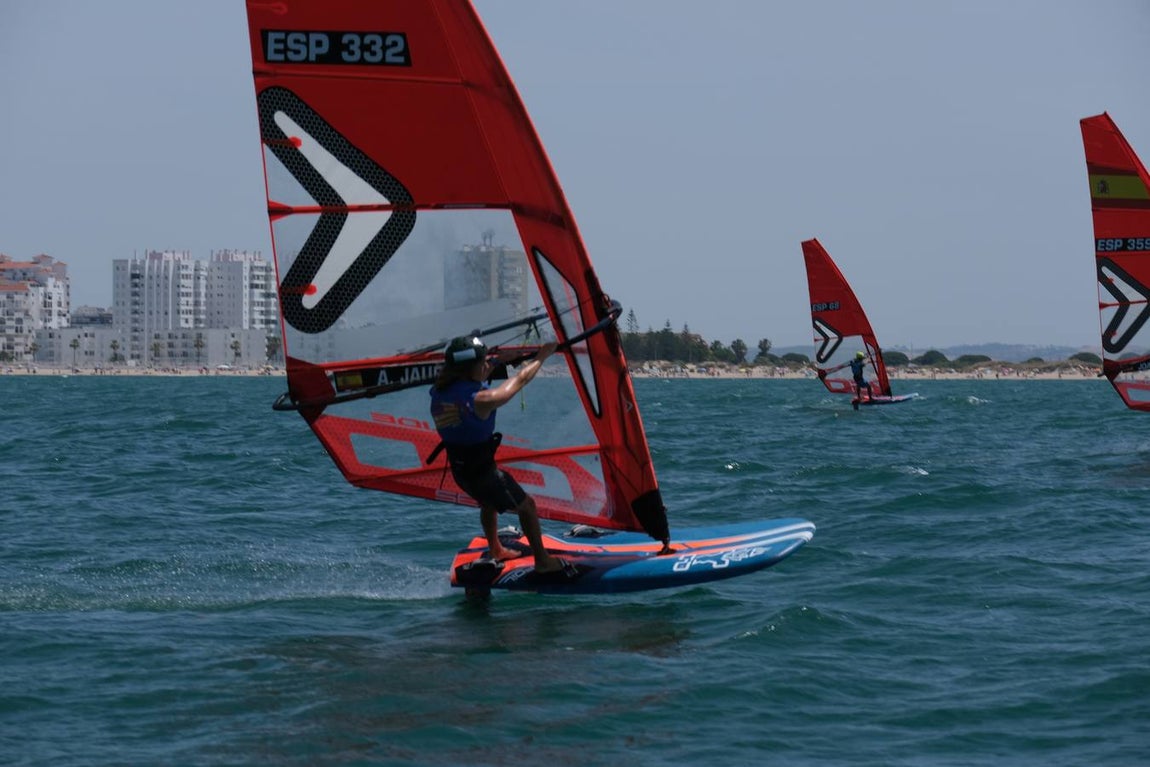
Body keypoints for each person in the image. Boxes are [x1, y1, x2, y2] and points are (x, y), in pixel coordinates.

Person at [429, 335, 565, 574]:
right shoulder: (483, 400)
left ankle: (495, 548)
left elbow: (473, 376)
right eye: (483, 362)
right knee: (527, 506)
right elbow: (521, 379)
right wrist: (544, 354)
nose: (485, 365)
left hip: (462, 471)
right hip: (484, 472)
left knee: (488, 502)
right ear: (472, 367)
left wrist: (499, 361)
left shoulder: (440, 390)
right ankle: (543, 562)